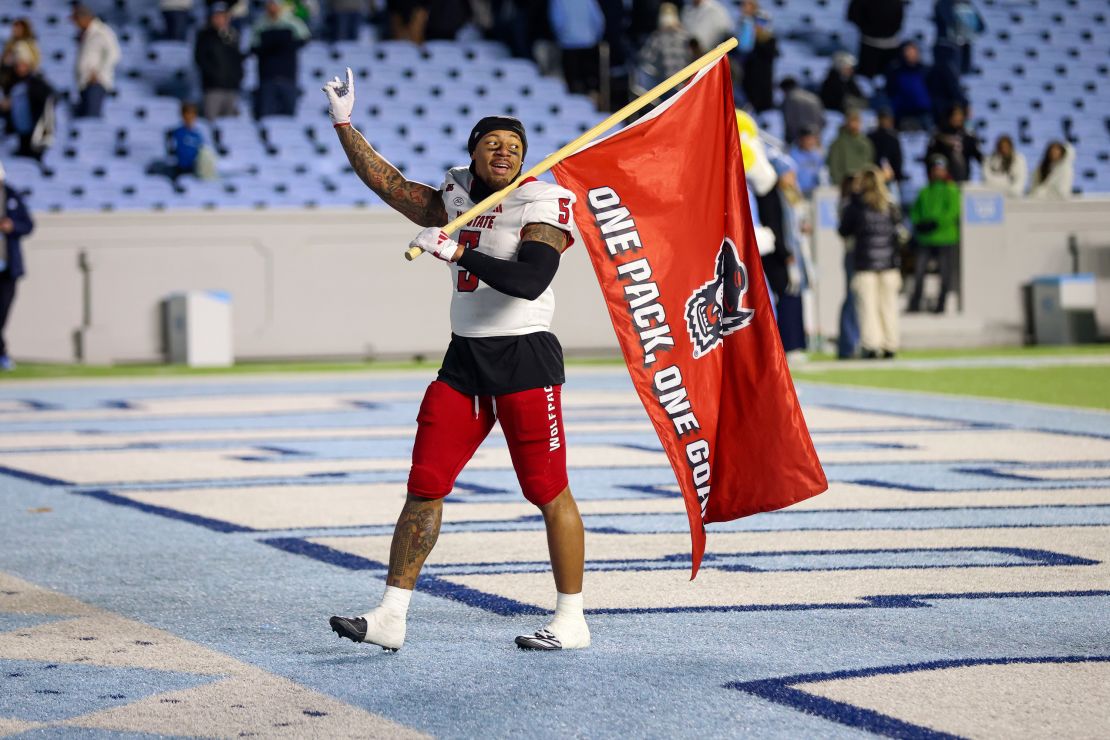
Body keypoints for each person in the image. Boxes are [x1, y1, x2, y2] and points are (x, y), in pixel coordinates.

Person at [321, 69, 590, 652]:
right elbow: (390, 184)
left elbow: (530, 278)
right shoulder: (455, 197)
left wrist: (459, 246)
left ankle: (572, 619)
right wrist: (344, 124)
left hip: (524, 356)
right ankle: (392, 615)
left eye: (516, 145)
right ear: (473, 151)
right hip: (464, 359)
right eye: (494, 142)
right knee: (425, 483)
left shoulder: (541, 199)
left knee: (547, 489)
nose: (506, 151)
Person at [839, 166, 903, 359]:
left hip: (864, 263)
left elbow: (844, 230)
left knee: (867, 307)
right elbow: (898, 230)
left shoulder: (856, 205)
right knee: (889, 306)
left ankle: (872, 345)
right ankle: (890, 344)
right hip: (889, 263)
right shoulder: (890, 204)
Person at [909, 154, 960, 313]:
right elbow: (914, 211)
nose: (938, 172)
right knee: (919, 273)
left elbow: (952, 212)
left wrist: (935, 223)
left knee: (945, 274)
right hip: (925, 239)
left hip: (945, 238)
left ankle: (941, 305)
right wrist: (919, 224)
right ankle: (915, 304)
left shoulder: (951, 190)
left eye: (941, 169)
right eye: (935, 169)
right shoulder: (924, 191)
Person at [0, 160, 34, 372]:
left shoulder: (11, 195)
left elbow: (28, 224)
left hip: (7, 266)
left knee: (2, 311)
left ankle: (1, 353)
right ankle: (2, 352)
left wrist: (12, 226)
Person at [250, 0, 311, 119]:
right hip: (267, 76)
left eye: (274, 5)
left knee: (288, 116)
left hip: (288, 75)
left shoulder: (292, 22)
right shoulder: (260, 24)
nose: (272, 8)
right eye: (269, 5)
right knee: (266, 115)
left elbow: (304, 39)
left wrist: (280, 45)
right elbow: (253, 47)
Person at [0, 42, 54, 160]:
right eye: (17, 64)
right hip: (16, 129)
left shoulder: (37, 82)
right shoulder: (12, 82)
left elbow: (47, 100)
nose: (20, 67)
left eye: (22, 64)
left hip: (34, 129)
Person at [195, 3, 245, 120]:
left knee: (230, 126)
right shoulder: (204, 35)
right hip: (213, 87)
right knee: (212, 123)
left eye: (223, 16)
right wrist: (214, 75)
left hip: (231, 87)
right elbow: (200, 59)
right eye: (216, 16)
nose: (219, 19)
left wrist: (237, 77)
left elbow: (237, 60)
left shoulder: (232, 35)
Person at [71, 4, 121, 119]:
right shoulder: (85, 33)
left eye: (76, 20)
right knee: (84, 118)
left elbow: (114, 54)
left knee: (91, 120)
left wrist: (98, 74)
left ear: (85, 18)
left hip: (96, 83)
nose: (75, 24)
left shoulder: (103, 31)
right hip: (83, 83)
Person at [549, 0, 605, 98]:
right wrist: (596, 37)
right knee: (589, 83)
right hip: (588, 43)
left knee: (572, 83)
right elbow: (598, 19)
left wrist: (562, 37)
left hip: (569, 44)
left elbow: (557, 21)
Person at [637, 3, 693, 87]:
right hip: (668, 83)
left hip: (674, 83)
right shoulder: (685, 35)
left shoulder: (684, 37)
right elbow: (646, 60)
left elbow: (645, 59)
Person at [847, 0, 905, 78]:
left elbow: (899, 17)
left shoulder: (896, 2)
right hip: (869, 45)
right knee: (866, 78)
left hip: (891, 46)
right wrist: (867, 30)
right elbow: (852, 16)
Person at [925, 104, 981, 183]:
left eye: (960, 115)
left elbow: (979, 156)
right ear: (949, 117)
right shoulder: (939, 136)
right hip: (943, 182)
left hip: (964, 180)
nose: (958, 118)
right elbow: (930, 158)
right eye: (955, 115)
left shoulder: (968, 136)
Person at [738, 0, 776, 113]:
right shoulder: (745, 31)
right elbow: (743, 49)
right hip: (746, 83)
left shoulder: (770, 41)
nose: (759, 26)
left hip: (761, 87)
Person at [885, 41, 931, 131]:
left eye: (913, 51)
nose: (911, 54)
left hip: (923, 112)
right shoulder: (896, 71)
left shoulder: (925, 71)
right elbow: (890, 91)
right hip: (903, 113)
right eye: (908, 51)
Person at [827, 108, 875, 190]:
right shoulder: (838, 143)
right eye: (851, 121)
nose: (854, 124)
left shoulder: (866, 142)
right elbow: (833, 166)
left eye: (856, 121)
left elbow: (869, 163)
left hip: (862, 185)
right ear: (846, 122)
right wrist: (839, 183)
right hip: (844, 186)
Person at [934, 0, 984, 77]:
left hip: (964, 46)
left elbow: (981, 27)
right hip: (947, 47)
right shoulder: (943, 3)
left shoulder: (967, 4)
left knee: (961, 75)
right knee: (947, 77)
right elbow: (950, 21)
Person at [166, 101, 206, 179]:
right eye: (187, 113)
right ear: (182, 115)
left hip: (196, 167)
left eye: (192, 113)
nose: (189, 116)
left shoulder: (200, 133)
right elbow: (171, 148)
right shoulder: (176, 132)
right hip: (180, 167)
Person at [779, 77, 824, 146]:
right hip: (815, 138)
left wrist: (788, 141)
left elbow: (789, 121)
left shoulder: (790, 99)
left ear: (784, 89)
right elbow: (823, 120)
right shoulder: (812, 97)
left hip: (800, 141)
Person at [1, 19, 42, 90]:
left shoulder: (29, 43)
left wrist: (25, 65)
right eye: (15, 28)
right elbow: (5, 58)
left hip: (26, 75)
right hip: (10, 73)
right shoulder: (10, 42)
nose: (16, 30)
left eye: (19, 28)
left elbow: (36, 59)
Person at [869, 107, 904, 185]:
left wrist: (896, 174)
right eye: (883, 119)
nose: (885, 121)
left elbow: (897, 159)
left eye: (887, 119)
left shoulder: (894, 138)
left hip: (891, 177)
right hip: (874, 176)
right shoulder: (871, 137)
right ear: (878, 120)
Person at [789, 127, 825, 198]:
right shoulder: (791, 155)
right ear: (801, 140)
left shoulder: (818, 155)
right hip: (796, 194)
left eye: (813, 139)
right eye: (808, 139)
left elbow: (822, 175)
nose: (810, 142)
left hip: (814, 194)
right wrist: (794, 199)